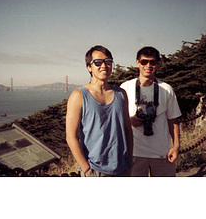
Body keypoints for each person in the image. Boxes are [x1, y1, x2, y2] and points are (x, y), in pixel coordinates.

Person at [66, 45, 133, 177]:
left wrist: (130, 159)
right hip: (95, 170)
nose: (104, 66)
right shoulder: (78, 96)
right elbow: (71, 137)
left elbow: (127, 129)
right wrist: (86, 169)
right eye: (98, 62)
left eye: (108, 62)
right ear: (89, 67)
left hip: (123, 168)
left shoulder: (121, 94)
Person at [120, 46, 181, 177]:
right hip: (133, 153)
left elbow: (173, 121)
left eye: (152, 62)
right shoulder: (125, 87)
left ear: (157, 64)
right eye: (144, 62)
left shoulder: (166, 89)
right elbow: (118, 118)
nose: (148, 65)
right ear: (137, 63)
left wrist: (176, 147)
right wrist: (130, 120)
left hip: (162, 153)